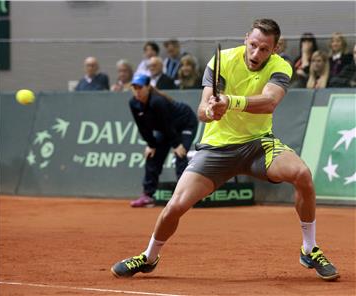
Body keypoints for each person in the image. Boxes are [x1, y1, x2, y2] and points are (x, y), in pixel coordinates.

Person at [111, 19, 339, 281]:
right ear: (246, 39)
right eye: (253, 45)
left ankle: (309, 249)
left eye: (264, 49)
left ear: (274, 50)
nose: (256, 54)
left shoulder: (281, 67)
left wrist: (230, 101)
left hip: (257, 145)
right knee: (175, 206)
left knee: (302, 174)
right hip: (216, 149)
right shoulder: (221, 61)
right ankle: (149, 257)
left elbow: (269, 102)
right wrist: (210, 111)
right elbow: (201, 111)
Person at [127, 74, 198, 208]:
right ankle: (148, 196)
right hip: (167, 129)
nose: (137, 91)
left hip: (185, 122)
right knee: (151, 155)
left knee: (180, 154)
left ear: (148, 87)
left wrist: (177, 145)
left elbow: (167, 124)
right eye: (134, 88)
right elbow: (142, 127)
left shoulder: (157, 101)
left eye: (140, 88)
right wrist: (151, 144)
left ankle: (184, 196)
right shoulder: (133, 103)